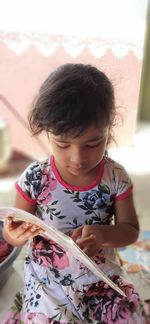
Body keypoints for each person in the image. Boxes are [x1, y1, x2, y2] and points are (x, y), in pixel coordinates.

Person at [2, 63, 147, 323]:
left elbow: (130, 229)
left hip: (100, 278)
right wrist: (13, 234)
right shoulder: (35, 178)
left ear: (109, 128)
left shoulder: (115, 177)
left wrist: (103, 234)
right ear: (47, 131)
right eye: (62, 144)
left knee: (134, 317)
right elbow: (14, 232)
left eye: (93, 143)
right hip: (49, 282)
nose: (77, 158)